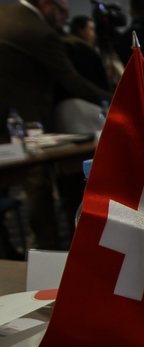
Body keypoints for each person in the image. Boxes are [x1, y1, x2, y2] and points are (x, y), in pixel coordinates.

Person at [0, 0, 112, 250]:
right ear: (44, 3)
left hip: (9, 129)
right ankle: (47, 252)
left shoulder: (5, 14)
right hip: (25, 129)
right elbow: (72, 81)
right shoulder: (40, 32)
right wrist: (117, 99)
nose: (65, 18)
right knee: (38, 186)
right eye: (61, 11)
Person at [60, 16, 110, 92]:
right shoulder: (84, 51)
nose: (94, 34)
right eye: (91, 29)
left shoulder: (64, 44)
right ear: (81, 30)